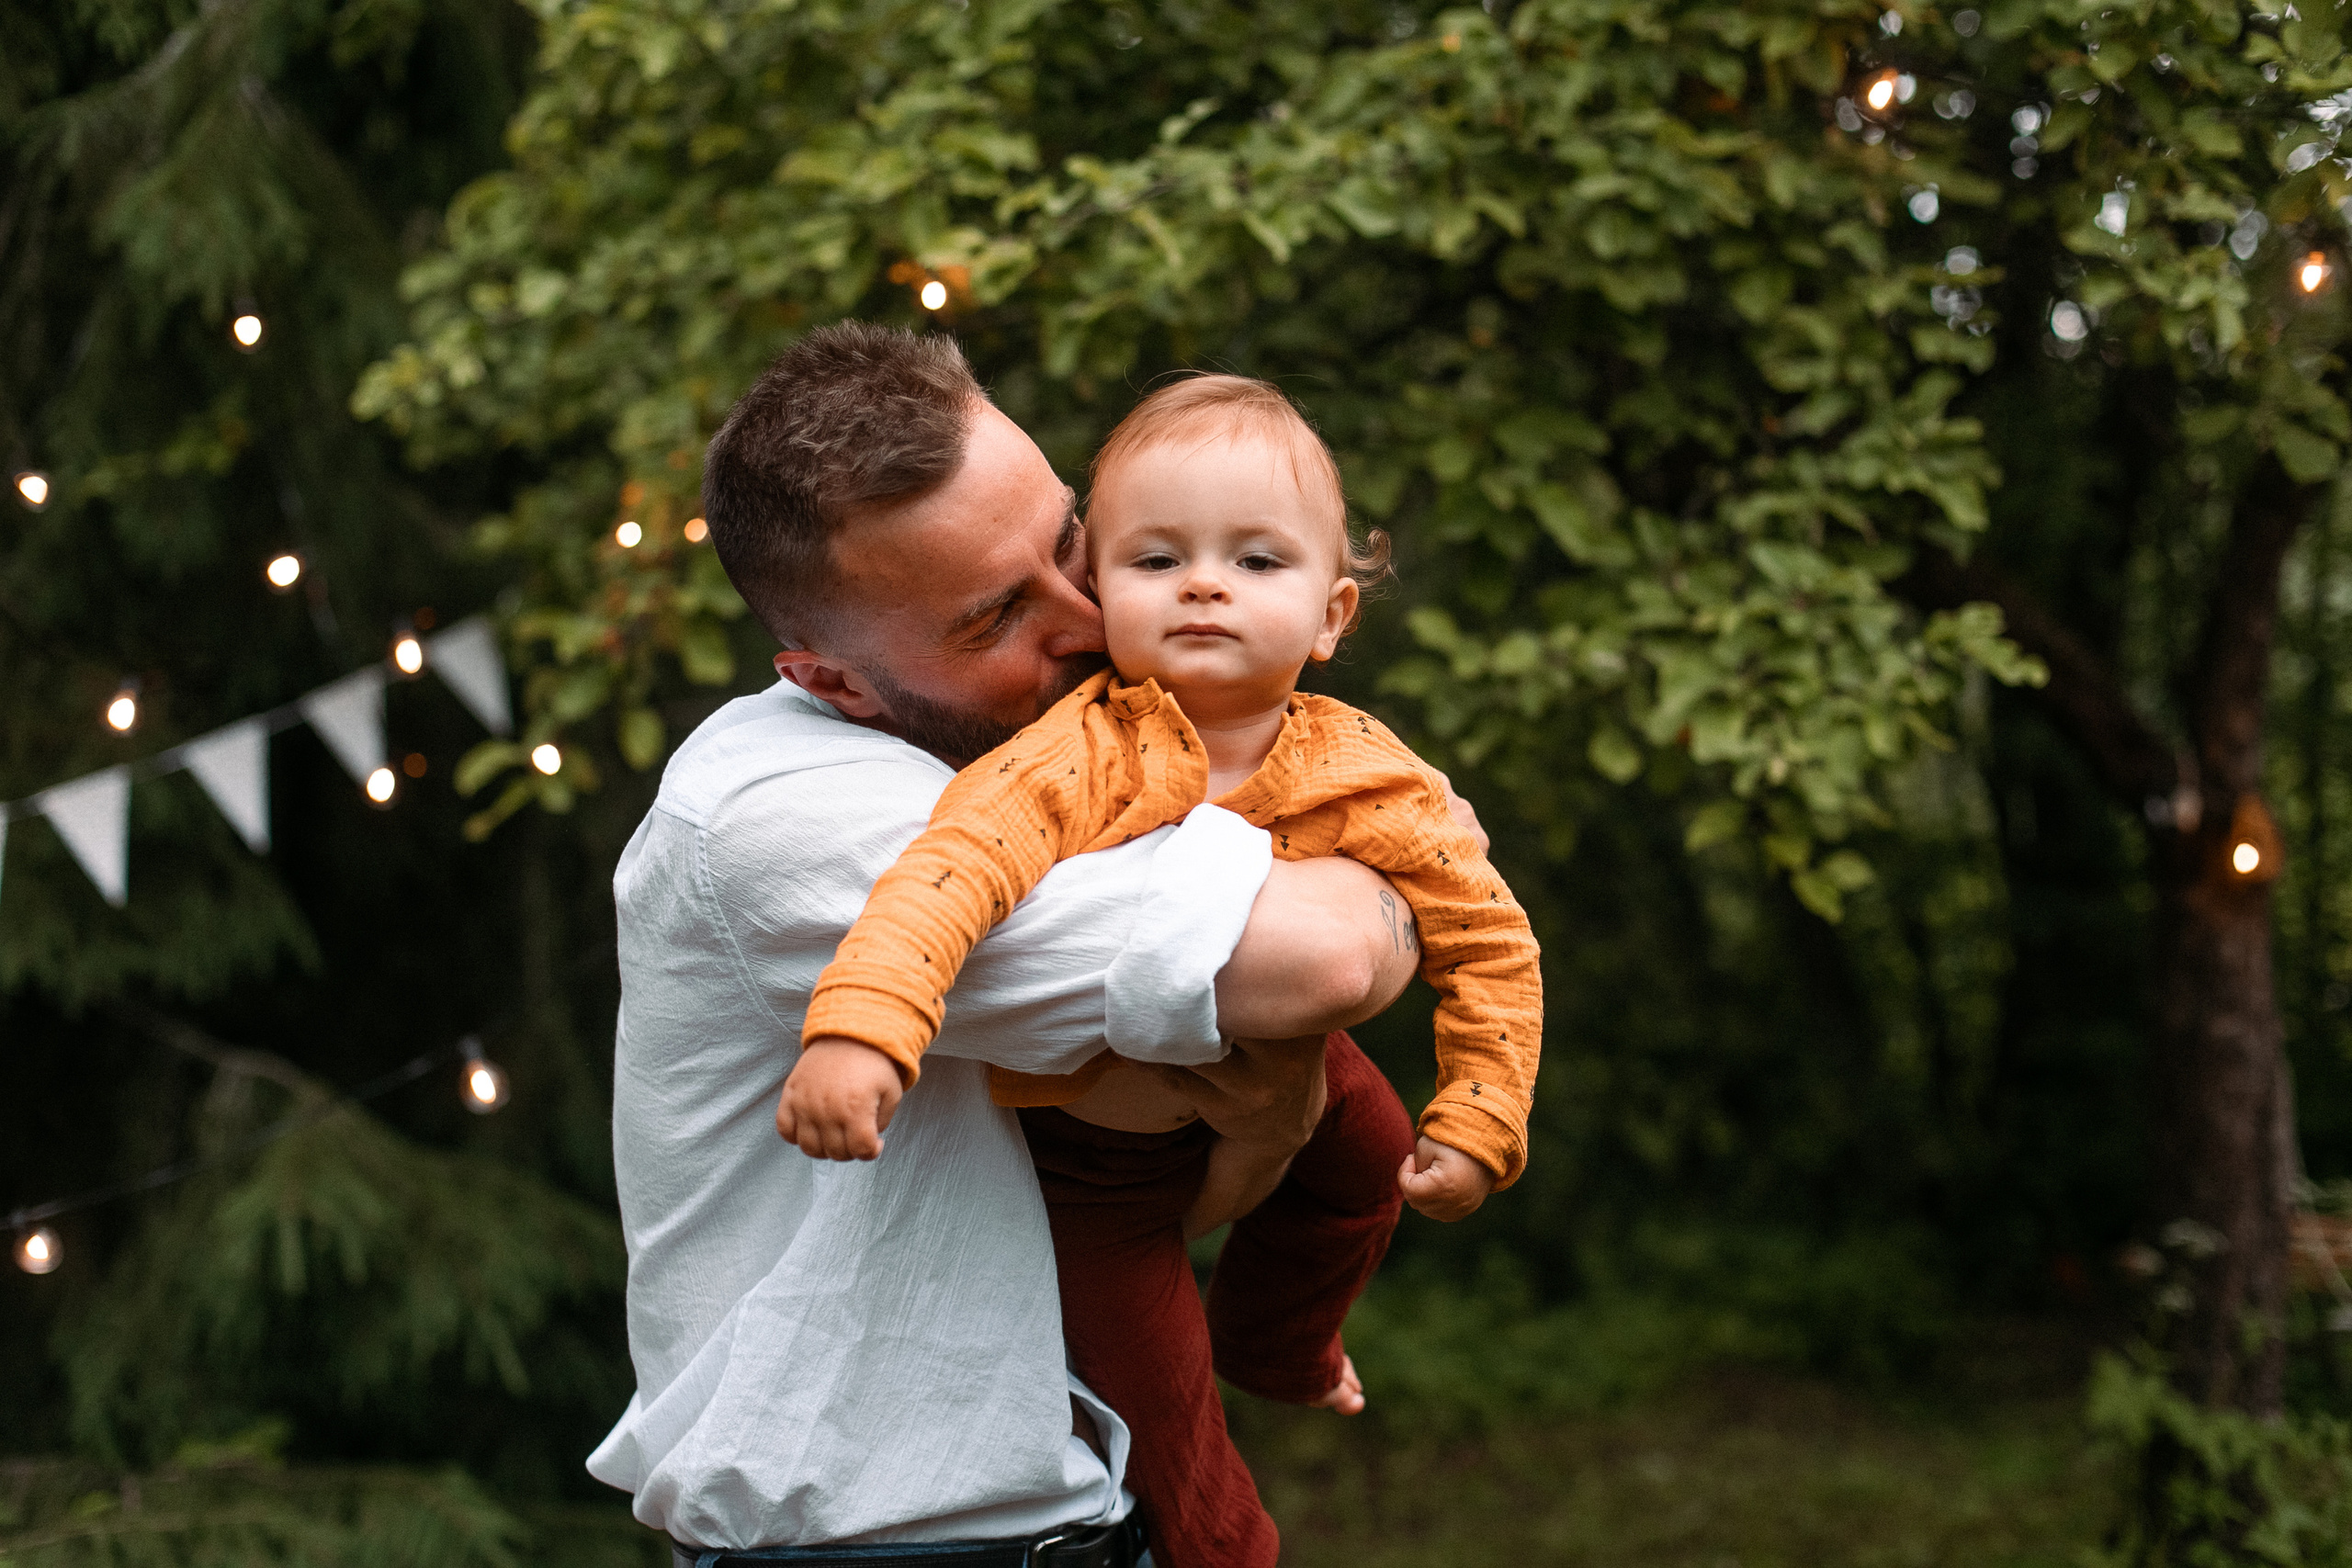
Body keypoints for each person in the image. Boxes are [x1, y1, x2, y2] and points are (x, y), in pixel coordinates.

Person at [589, 322, 1449, 1567]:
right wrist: (1401, 866)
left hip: (1075, 1521)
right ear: (833, 682)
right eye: (997, 616)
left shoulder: (1074, 747)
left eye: (1071, 544)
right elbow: (1325, 959)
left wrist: (1270, 1120)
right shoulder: (785, 818)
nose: (1093, 619)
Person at [779, 375, 1542, 1567]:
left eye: (1256, 559)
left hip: (1293, 1063)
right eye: (1155, 559)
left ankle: (1280, 1339)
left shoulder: (1366, 770)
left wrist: (1486, 1108)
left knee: (1371, 1161)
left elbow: (1486, 935)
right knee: (1170, 1422)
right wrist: (861, 1030)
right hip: (1100, 1159)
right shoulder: (1074, 751)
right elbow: (950, 874)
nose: (1204, 584)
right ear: (1103, 590)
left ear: (1332, 613)